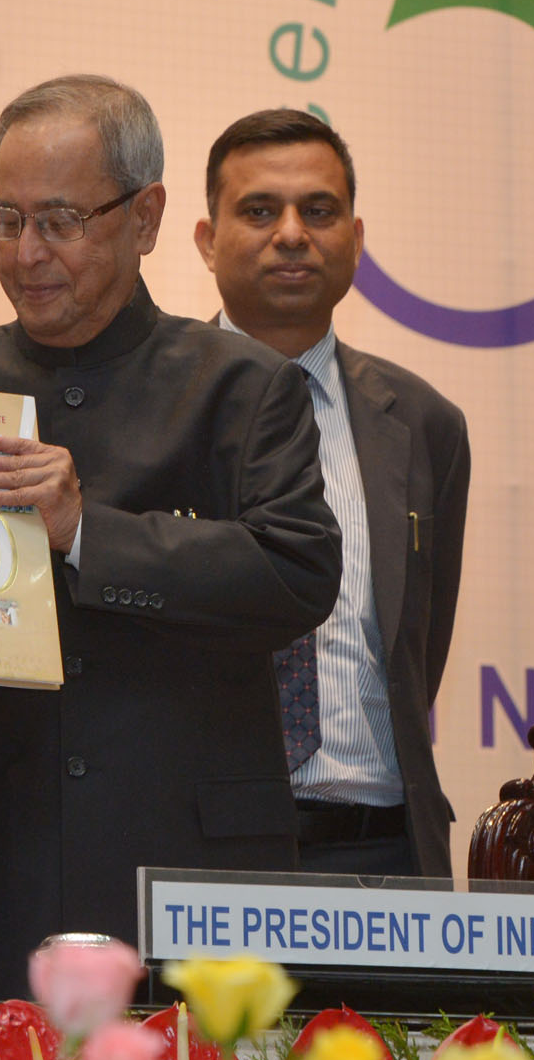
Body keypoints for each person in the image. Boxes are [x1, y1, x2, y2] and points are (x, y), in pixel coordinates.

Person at [0, 74, 340, 998]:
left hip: (193, 883)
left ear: (145, 219)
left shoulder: (242, 387)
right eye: (7, 219)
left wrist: (87, 531)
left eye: (59, 221)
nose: (26, 253)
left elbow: (297, 574)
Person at [193, 108, 468, 877]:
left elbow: (422, 639)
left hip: (385, 846)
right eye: (258, 211)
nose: (291, 233)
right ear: (207, 240)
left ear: (355, 235)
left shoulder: (424, 423)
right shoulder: (150, 406)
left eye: (319, 211)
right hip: (200, 846)